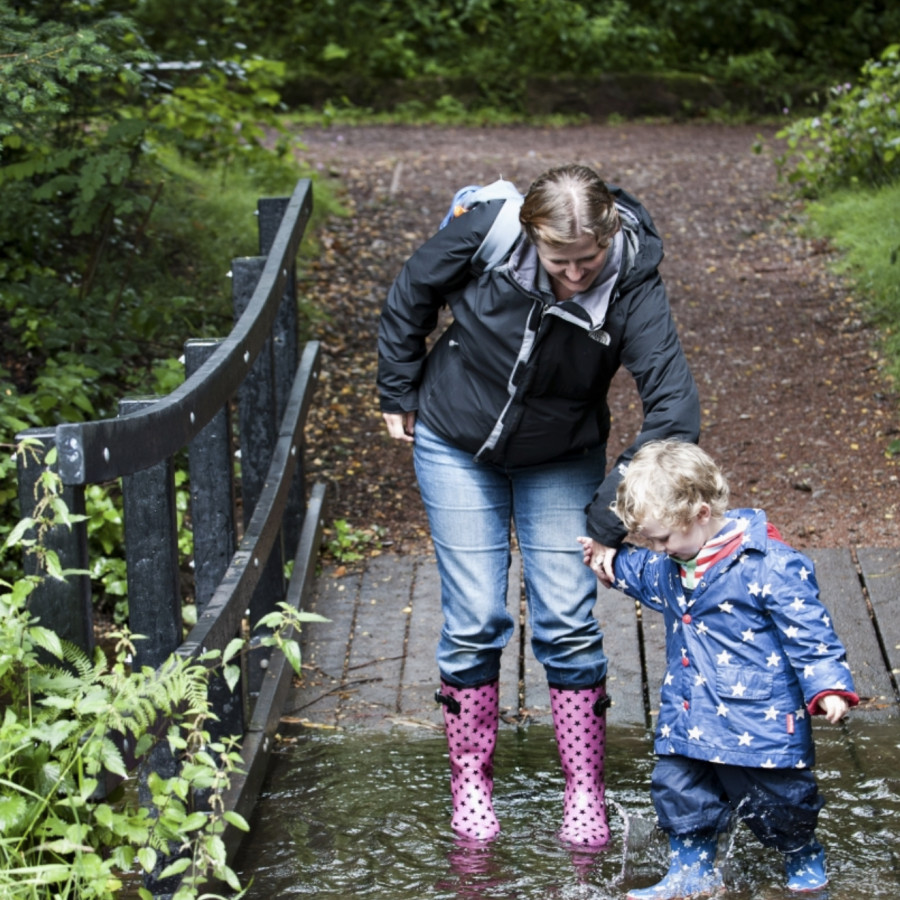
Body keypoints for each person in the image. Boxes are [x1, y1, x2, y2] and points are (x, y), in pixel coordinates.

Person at [377, 164, 700, 847]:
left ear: (610, 238)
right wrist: (397, 389)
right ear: (531, 237)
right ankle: (471, 785)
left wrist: (610, 518)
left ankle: (584, 791)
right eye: (560, 261)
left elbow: (674, 407)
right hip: (455, 439)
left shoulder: (632, 280)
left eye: (589, 259)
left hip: (562, 454)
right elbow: (411, 290)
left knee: (567, 620)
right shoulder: (487, 232)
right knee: (475, 620)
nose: (576, 275)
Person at [579, 440, 859, 897]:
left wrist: (828, 685)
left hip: (759, 719)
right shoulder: (675, 561)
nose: (659, 549)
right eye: (651, 540)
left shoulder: (768, 564)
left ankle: (802, 852)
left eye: (664, 538)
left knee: (780, 800)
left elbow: (809, 630)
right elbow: (642, 569)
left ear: (702, 513)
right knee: (679, 788)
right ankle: (691, 868)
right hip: (689, 711)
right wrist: (606, 560)